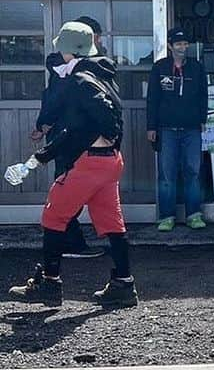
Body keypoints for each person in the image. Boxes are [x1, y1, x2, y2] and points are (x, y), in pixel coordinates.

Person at [4, 22, 137, 308]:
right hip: (111, 161)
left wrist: (37, 159)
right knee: (112, 224)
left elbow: (73, 132)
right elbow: (111, 118)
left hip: (87, 162)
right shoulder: (105, 76)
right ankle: (124, 285)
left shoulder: (79, 81)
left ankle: (50, 285)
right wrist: (111, 136)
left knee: (53, 219)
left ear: (65, 49)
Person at [30, 14, 105, 261]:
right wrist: (42, 124)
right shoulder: (66, 69)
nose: (99, 42)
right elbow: (53, 98)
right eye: (96, 37)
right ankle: (69, 242)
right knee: (67, 187)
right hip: (68, 137)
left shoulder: (75, 67)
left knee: (72, 187)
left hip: (76, 136)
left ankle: (66, 240)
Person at [147, 27, 208, 232]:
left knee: (193, 171)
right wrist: (151, 126)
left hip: (192, 128)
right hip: (166, 129)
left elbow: (203, 96)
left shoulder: (197, 68)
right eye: (179, 44)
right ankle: (166, 216)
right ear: (171, 46)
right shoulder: (159, 67)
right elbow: (152, 98)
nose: (183, 47)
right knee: (167, 174)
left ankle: (194, 214)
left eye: (185, 44)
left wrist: (202, 119)